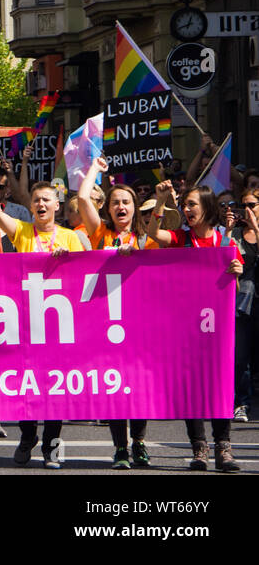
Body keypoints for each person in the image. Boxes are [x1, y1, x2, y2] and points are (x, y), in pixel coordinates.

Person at [0, 156, 85, 469]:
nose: (40, 203)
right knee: (25, 388)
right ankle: (27, 436)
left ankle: (52, 447)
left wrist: (68, 260)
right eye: (36, 199)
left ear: (56, 205)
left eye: (46, 200)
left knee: (54, 391)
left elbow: (84, 278)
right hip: (25, 326)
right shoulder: (23, 231)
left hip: (57, 327)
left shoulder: (70, 237)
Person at [146, 181, 245, 471]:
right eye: (185, 205)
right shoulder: (180, 238)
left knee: (221, 385)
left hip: (219, 330)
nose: (187, 210)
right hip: (187, 328)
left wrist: (236, 271)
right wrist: (161, 199)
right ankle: (199, 448)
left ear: (208, 209)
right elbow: (153, 234)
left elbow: (233, 290)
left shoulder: (226, 244)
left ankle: (223, 448)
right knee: (193, 387)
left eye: (193, 205)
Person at [74, 157, 155, 467]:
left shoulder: (146, 238)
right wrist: (95, 167)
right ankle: (120, 448)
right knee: (114, 386)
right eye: (116, 203)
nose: (121, 207)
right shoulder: (100, 234)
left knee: (139, 385)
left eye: (127, 202)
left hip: (138, 323)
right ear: (108, 209)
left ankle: (140, 443)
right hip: (105, 323)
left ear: (134, 208)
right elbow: (82, 198)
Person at [234, 190, 259, 423]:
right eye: (243, 206)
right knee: (241, 358)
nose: (247, 210)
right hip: (243, 303)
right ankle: (241, 402)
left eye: (252, 205)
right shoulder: (234, 234)